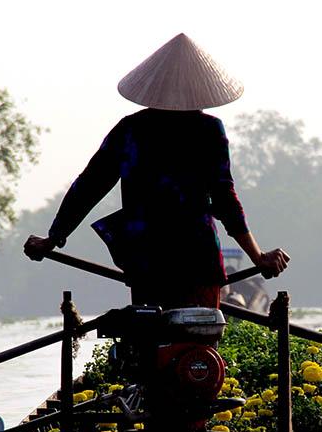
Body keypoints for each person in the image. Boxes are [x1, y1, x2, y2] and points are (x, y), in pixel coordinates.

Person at [24, 34, 289, 308]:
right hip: (196, 259)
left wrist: (52, 239)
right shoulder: (208, 130)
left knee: (151, 338)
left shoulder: (130, 130)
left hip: (146, 260)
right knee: (198, 340)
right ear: (199, 90)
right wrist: (258, 256)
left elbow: (89, 185)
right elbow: (225, 199)